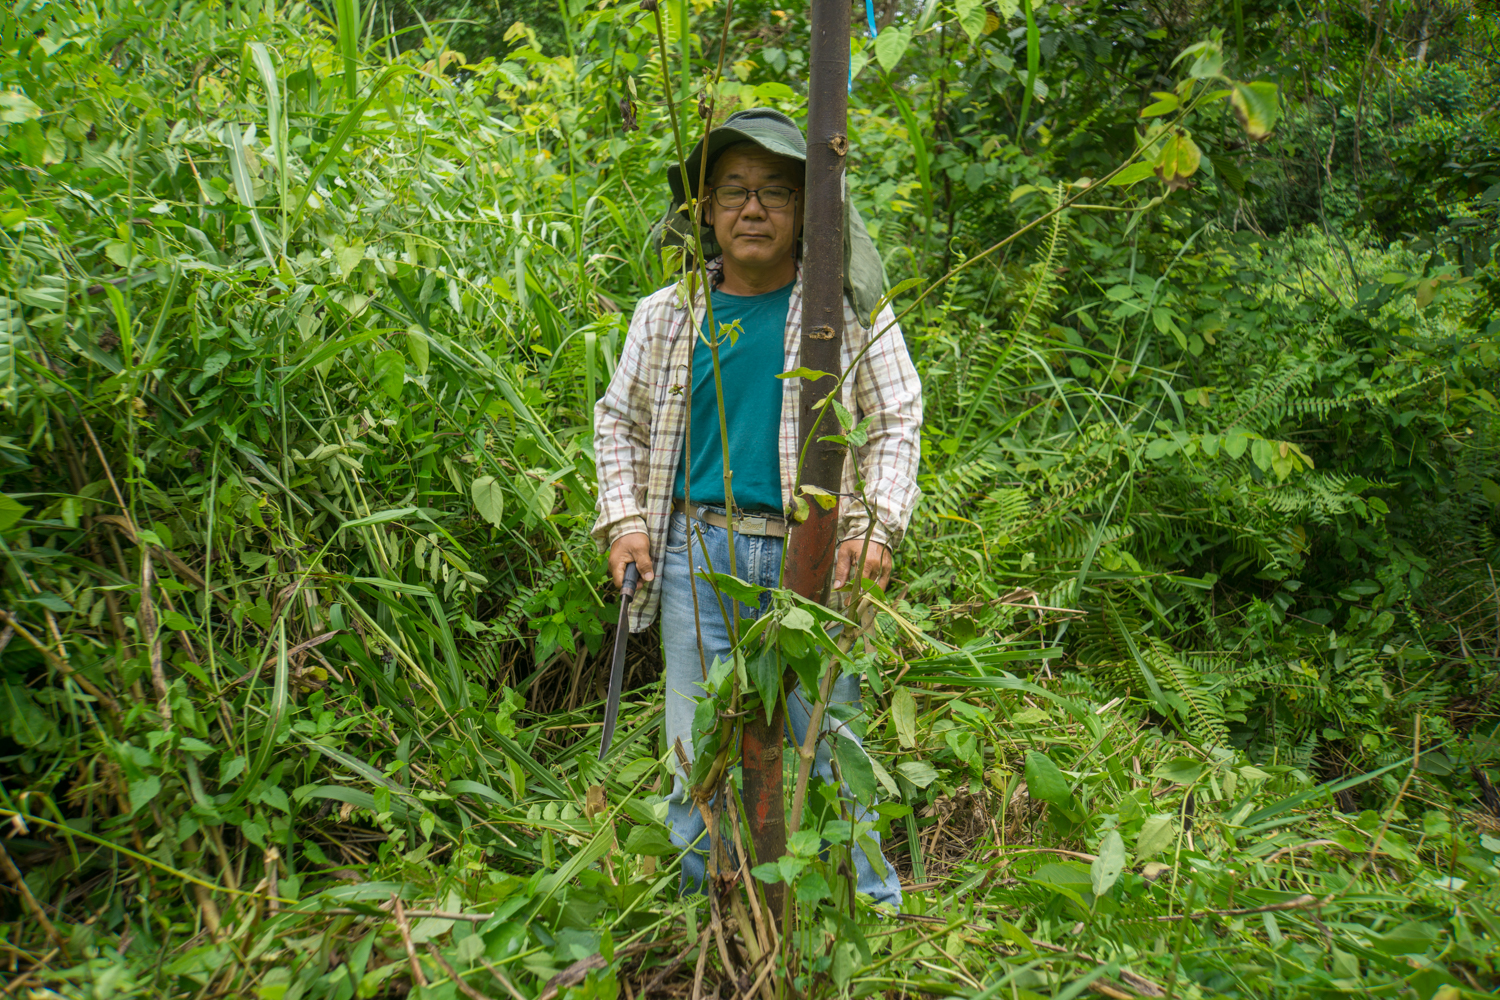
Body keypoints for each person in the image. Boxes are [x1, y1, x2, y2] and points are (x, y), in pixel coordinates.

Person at [591, 108, 922, 907]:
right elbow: (618, 424)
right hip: (695, 558)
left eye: (776, 191)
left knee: (825, 736)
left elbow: (898, 416)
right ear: (703, 210)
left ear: (808, 211)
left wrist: (875, 526)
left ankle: (862, 911)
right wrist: (627, 523)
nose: (752, 208)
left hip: (808, 557)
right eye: (733, 189)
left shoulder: (840, 315)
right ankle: (707, 914)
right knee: (695, 745)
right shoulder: (667, 317)